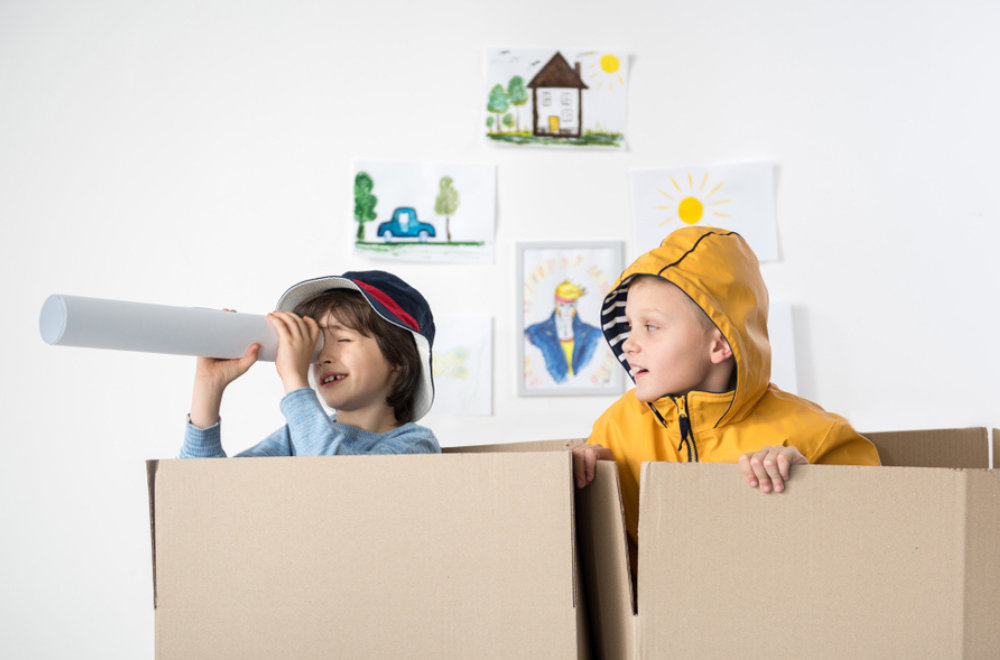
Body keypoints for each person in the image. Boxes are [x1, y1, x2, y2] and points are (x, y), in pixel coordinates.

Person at [572, 226, 880, 553]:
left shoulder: (815, 436)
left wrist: (813, 486)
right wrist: (588, 478)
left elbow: (880, 534)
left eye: (651, 326)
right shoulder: (615, 429)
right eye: (630, 325)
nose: (629, 343)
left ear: (719, 344)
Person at [181, 270, 440, 457]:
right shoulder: (297, 437)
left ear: (397, 358)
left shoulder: (415, 446)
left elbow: (339, 488)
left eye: (343, 339)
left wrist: (294, 380)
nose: (321, 357)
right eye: (317, 345)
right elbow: (208, 495)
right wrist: (208, 387)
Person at [524, 279, 602, 383]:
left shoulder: (592, 333)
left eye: (571, 306)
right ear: (556, 304)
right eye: (562, 305)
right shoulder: (536, 332)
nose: (566, 311)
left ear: (576, 305)